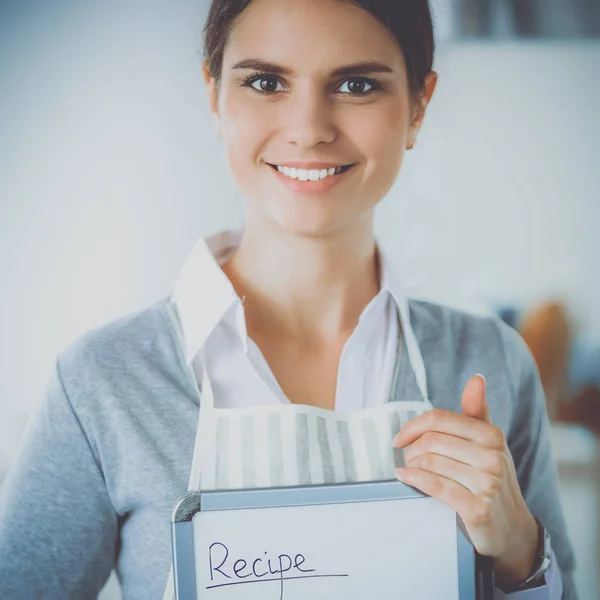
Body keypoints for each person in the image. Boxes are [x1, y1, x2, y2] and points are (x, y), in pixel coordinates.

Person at [0, 1, 577, 598]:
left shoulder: (493, 362)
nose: (308, 128)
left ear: (418, 106)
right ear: (214, 95)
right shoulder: (101, 383)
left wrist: (519, 550)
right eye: (266, 82)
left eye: (356, 85)